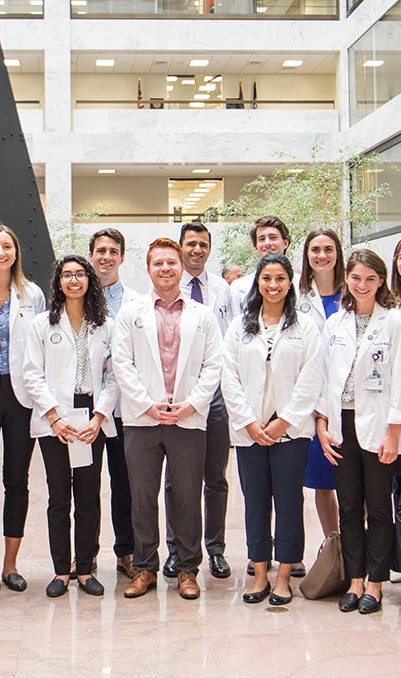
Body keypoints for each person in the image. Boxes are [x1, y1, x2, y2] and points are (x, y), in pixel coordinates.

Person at [112, 237, 223, 600]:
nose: (165, 269)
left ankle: (188, 569)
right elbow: (122, 364)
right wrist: (147, 404)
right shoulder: (132, 313)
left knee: (187, 497)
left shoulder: (202, 316)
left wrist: (191, 404)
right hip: (142, 420)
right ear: (148, 269)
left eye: (171, 263)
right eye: (158, 263)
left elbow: (213, 366)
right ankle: (144, 568)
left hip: (187, 420)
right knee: (142, 497)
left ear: (180, 268)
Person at [221, 253, 323, 606]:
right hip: (250, 433)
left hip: (290, 434)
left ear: (290, 283)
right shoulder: (240, 326)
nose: (273, 285)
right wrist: (249, 421)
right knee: (255, 503)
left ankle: (283, 576)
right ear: (257, 283)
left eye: (280, 278)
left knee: (290, 501)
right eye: (267, 279)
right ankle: (260, 573)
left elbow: (311, 380)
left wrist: (284, 421)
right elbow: (228, 377)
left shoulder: (305, 327)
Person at [316, 249, 401, 615]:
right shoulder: (336, 322)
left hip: (379, 428)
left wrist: (393, 433)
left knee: (379, 508)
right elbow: (326, 379)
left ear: (381, 281)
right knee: (350, 508)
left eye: (370, 279)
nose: (362, 285)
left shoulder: (395, 321)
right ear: (347, 280)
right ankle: (354, 580)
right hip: (342, 427)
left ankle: (375, 582)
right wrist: (322, 424)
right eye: (356, 278)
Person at [23, 255, 118, 598]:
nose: (74, 280)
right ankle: (62, 570)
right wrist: (54, 417)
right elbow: (31, 374)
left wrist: (99, 417)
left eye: (80, 274)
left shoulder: (105, 324)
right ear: (58, 282)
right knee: (59, 497)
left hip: (90, 421)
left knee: (89, 497)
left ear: (90, 280)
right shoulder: (42, 325)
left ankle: (85, 569)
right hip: (56, 421)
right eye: (67, 275)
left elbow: (113, 376)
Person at [0, 224, 46, 594]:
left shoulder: (32, 294)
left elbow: (42, 346)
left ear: (16, 252)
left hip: (21, 397)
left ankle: (10, 563)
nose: (0, 253)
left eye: (7, 246)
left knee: (16, 481)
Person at [170, 221, 233, 580]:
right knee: (175, 479)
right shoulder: (168, 285)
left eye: (203, 244)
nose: (196, 249)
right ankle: (176, 548)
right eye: (191, 243)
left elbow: (232, 340)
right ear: (180, 247)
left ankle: (216, 549)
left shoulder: (223, 290)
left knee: (216, 477)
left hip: (215, 395)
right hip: (176, 394)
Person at [88, 228, 142, 578]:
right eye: (100, 251)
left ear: (122, 257)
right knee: (87, 485)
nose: (106, 257)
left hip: (126, 410)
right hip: (87, 412)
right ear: (91, 256)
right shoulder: (74, 297)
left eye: (113, 251)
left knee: (126, 485)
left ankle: (127, 552)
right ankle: (86, 554)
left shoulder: (137, 302)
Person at [296, 228, 344, 546]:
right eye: (315, 249)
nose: (322, 255)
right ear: (307, 256)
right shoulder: (299, 298)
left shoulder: (353, 292)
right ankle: (334, 547)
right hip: (313, 405)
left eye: (328, 248)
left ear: (338, 253)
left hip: (349, 400)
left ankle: (360, 545)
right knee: (323, 482)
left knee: (357, 482)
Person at [229, 215, 292, 318]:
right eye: (262, 239)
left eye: (273, 237)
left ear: (285, 243)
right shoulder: (238, 287)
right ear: (255, 247)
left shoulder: (302, 285)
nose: (267, 243)